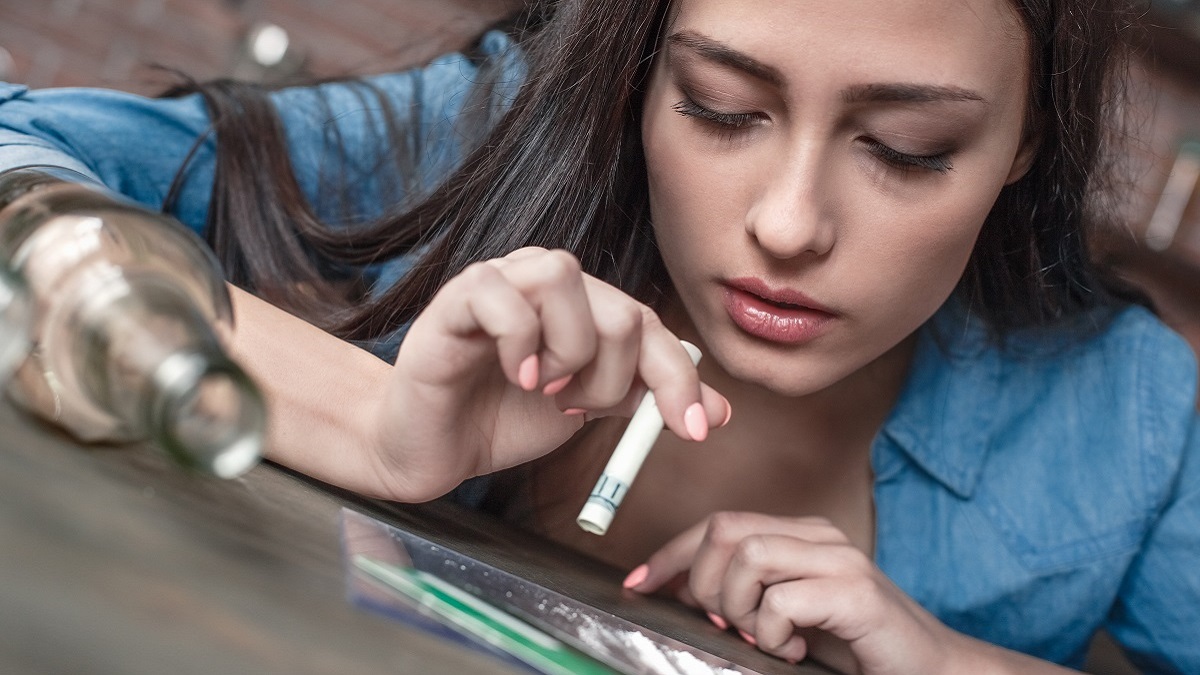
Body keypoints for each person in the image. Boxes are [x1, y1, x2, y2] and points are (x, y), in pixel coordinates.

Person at [2, 0, 1198, 672]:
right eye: (721, 109)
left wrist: (954, 667)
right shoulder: (481, 138)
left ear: (1026, 145)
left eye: (906, 149)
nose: (788, 225)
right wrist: (368, 424)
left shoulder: (1124, 413)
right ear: (640, 76)